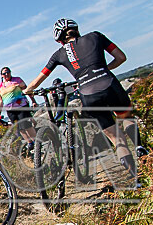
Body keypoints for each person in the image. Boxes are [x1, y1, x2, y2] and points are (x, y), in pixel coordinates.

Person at [23, 18, 144, 177]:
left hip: (88, 94)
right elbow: (121, 57)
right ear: (77, 30)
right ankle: (139, 148)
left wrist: (27, 91)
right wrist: (103, 69)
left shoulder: (58, 54)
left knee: (117, 139)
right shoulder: (95, 36)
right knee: (126, 117)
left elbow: (37, 81)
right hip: (109, 84)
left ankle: (136, 179)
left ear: (59, 40)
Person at [0, 66, 38, 155]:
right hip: (10, 109)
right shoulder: (0, 86)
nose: (6, 74)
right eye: (4, 73)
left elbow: (27, 90)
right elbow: (0, 100)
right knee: (19, 127)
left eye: (8, 72)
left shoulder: (17, 80)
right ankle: (30, 143)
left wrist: (33, 101)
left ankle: (36, 142)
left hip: (21, 106)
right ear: (1, 75)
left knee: (26, 124)